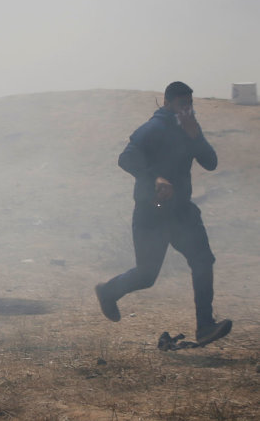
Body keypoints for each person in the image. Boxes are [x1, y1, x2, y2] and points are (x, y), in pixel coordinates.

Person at [95, 82, 232, 346]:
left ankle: (205, 326)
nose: (187, 110)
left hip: (181, 212)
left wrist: (196, 137)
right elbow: (126, 158)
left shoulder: (189, 130)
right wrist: (155, 177)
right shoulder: (153, 129)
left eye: (190, 105)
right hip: (152, 212)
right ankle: (108, 291)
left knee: (203, 260)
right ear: (167, 103)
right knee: (147, 275)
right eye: (182, 105)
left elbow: (211, 163)